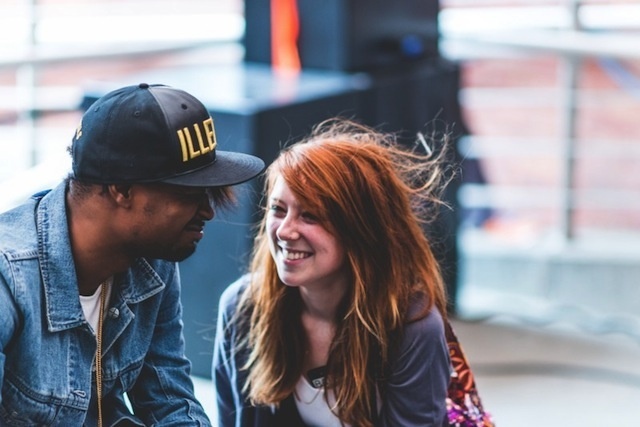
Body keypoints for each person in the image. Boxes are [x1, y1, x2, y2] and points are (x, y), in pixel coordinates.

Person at [0, 83, 265, 426]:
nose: (208, 210)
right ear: (122, 189)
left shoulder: (152, 262)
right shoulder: (10, 277)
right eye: (189, 193)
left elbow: (170, 401)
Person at [213, 118, 452, 426]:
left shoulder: (412, 326)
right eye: (278, 209)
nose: (285, 231)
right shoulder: (242, 308)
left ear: (361, 230)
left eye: (310, 215)